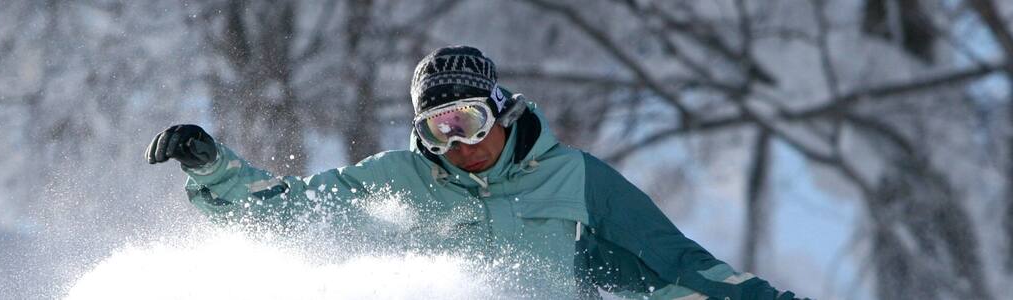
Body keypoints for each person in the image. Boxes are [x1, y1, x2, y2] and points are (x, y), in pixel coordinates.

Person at [146, 45, 801, 299]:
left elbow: (678, 261)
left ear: (499, 109)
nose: (461, 143)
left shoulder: (573, 177)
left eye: (469, 120)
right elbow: (292, 212)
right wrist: (215, 169)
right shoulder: (402, 177)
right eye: (441, 128)